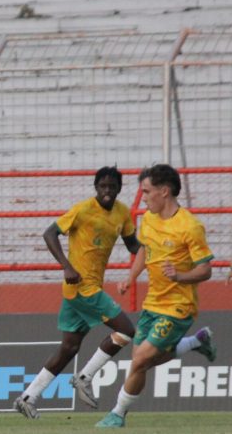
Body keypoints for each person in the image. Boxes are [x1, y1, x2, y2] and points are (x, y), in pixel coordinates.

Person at [14, 166, 143, 418]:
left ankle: (27, 397)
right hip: (83, 287)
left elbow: (133, 245)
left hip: (85, 290)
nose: (107, 191)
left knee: (69, 347)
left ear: (119, 188)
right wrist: (66, 266)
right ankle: (85, 377)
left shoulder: (122, 213)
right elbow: (50, 233)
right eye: (103, 186)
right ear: (96, 187)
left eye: (112, 186)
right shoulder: (83, 210)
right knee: (127, 331)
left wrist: (155, 250)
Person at [97, 163, 216, 428]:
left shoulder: (190, 226)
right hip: (153, 303)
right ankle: (196, 342)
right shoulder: (149, 219)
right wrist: (131, 277)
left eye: (147, 191)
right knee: (141, 361)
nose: (144, 197)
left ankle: (117, 414)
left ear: (164, 191)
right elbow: (144, 250)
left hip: (178, 307)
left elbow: (206, 269)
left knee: (140, 360)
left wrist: (180, 276)